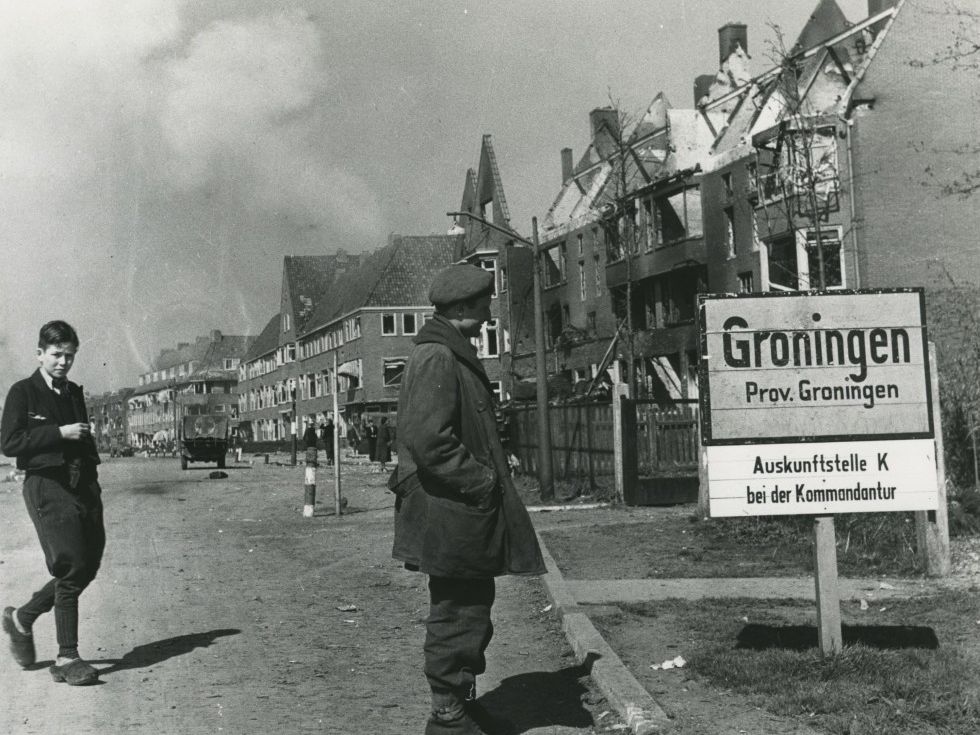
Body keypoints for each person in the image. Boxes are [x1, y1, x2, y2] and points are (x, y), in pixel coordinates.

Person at [390, 264, 545, 735]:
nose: (486, 318)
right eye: (481, 309)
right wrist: (480, 482)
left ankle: (459, 700)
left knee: (472, 598)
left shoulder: (447, 351)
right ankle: (447, 716)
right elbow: (428, 439)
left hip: (456, 506)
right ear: (459, 309)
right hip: (451, 507)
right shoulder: (439, 357)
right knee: (458, 607)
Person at [1, 321, 105, 686]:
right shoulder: (23, 392)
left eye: (70, 356)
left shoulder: (73, 392)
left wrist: (92, 484)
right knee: (71, 565)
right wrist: (58, 433)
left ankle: (23, 618)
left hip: (83, 485)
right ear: (40, 354)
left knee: (88, 565)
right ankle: (67, 656)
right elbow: (9, 443)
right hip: (47, 485)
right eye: (57, 355)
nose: (63, 362)